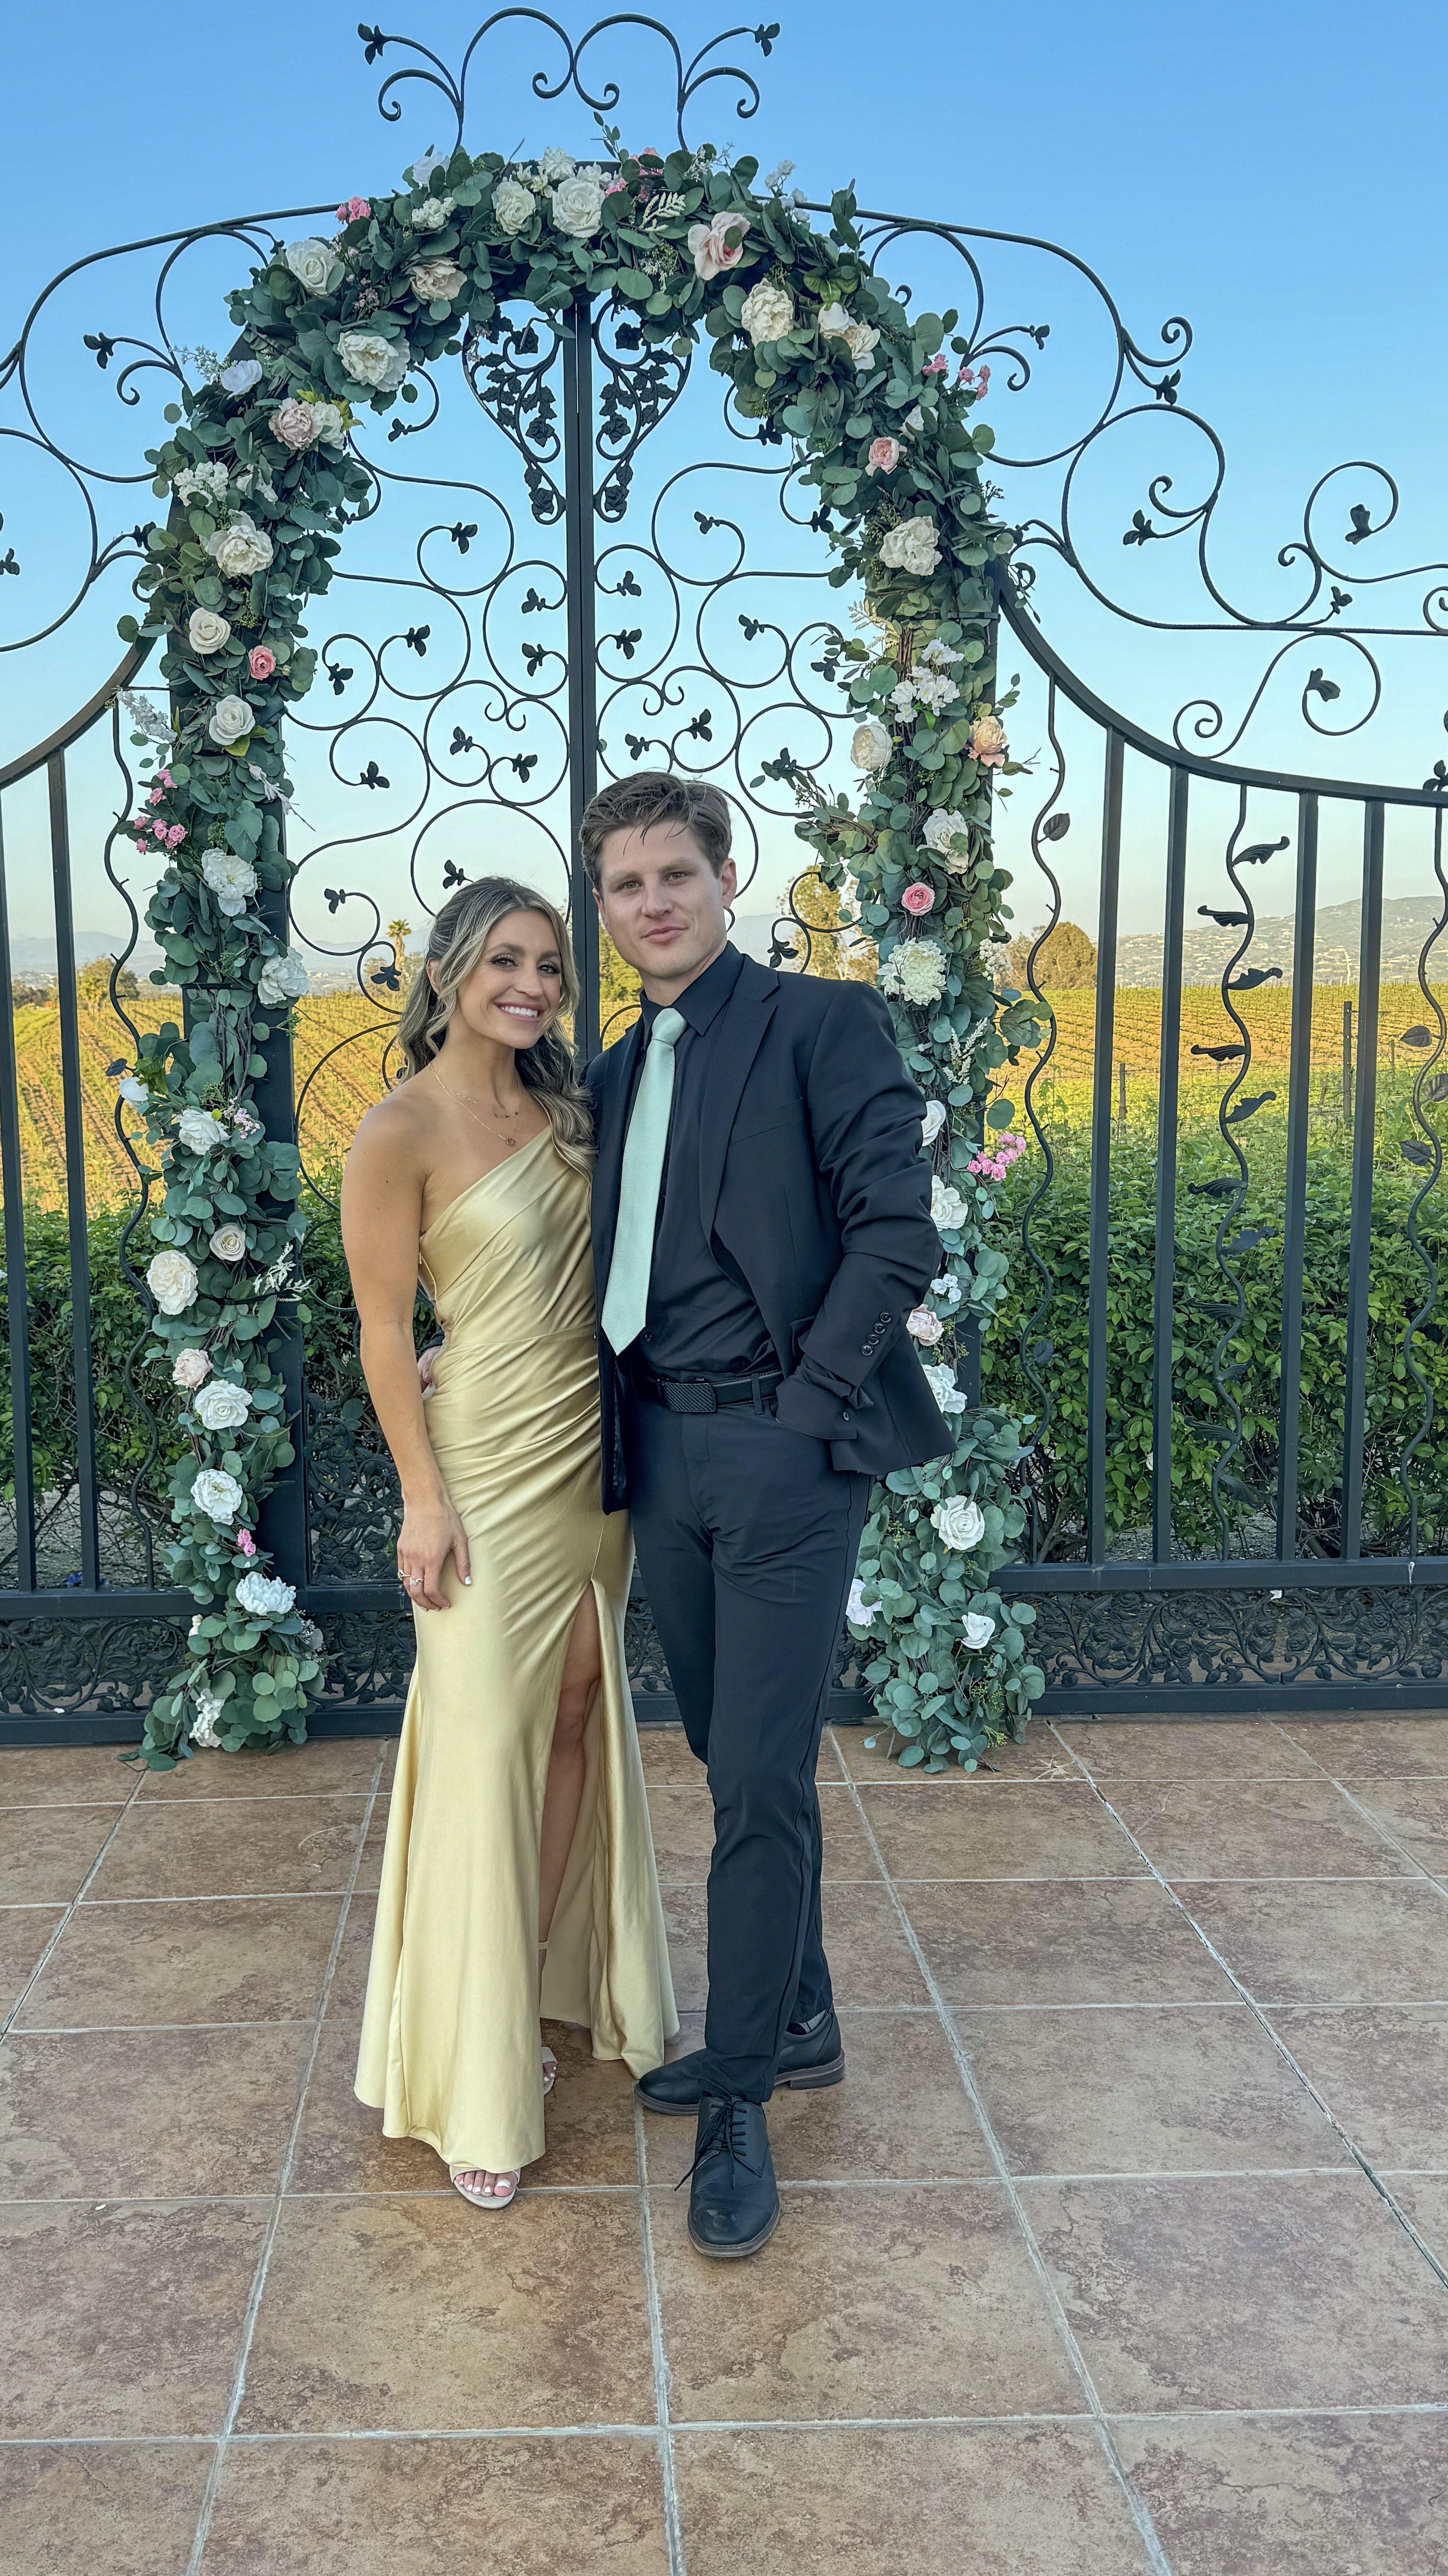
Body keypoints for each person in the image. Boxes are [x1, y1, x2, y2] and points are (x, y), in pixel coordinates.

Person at [581, 771, 953, 2258]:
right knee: (722, 1750)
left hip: (785, 1450)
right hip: (659, 1450)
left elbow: (895, 1232)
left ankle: (737, 2096)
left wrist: (808, 1413)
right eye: (626, 884)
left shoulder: (820, 1023)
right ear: (604, 906)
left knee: (757, 1773)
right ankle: (797, 2013)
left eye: (675, 873)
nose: (653, 902)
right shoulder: (614, 1070)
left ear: (725, 879)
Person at [341, 876, 678, 2210]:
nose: (531, 985)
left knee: (577, 1710)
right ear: (446, 973)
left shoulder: (573, 1109)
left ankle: (523, 1988)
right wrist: (422, 1497)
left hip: (591, 1452)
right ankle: (472, 2076)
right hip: (481, 1465)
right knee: (484, 1744)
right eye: (504, 961)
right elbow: (382, 1329)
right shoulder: (397, 1129)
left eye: (548, 965)